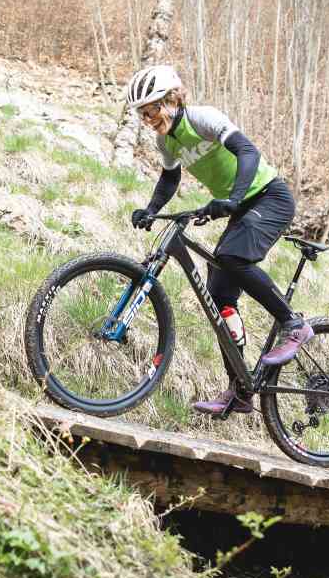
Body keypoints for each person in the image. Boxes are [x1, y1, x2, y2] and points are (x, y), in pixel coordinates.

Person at [126, 65, 314, 416]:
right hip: (240, 206)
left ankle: (295, 324)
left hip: (269, 197)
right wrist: (151, 209)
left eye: (152, 109)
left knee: (231, 256)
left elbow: (248, 153)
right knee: (219, 297)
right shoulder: (165, 140)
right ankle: (241, 391)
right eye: (142, 113)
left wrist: (231, 199)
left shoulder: (202, 119)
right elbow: (170, 179)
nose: (148, 118)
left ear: (172, 99)